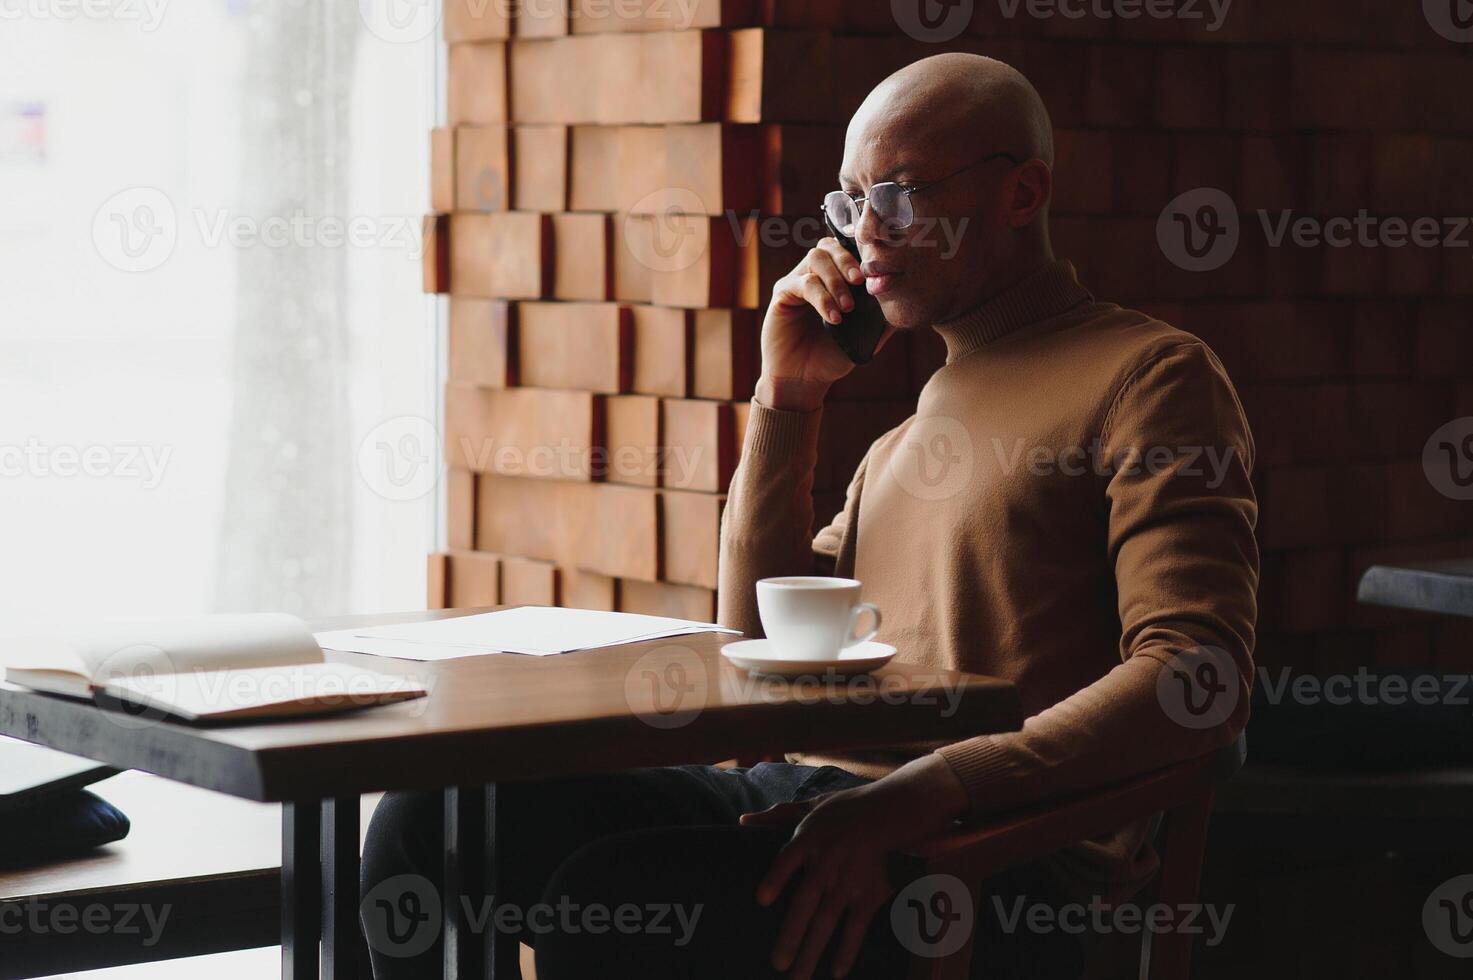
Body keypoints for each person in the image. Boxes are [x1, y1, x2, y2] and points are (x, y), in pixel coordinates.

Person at [360, 52, 1257, 980]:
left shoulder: (1149, 378)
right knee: (431, 819)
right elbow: (756, 642)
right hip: (808, 799)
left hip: (989, 861)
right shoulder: (911, 438)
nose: (866, 233)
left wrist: (919, 794)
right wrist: (784, 398)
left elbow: (1198, 676)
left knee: (613, 896)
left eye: (900, 197)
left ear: (1021, 194)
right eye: (850, 202)